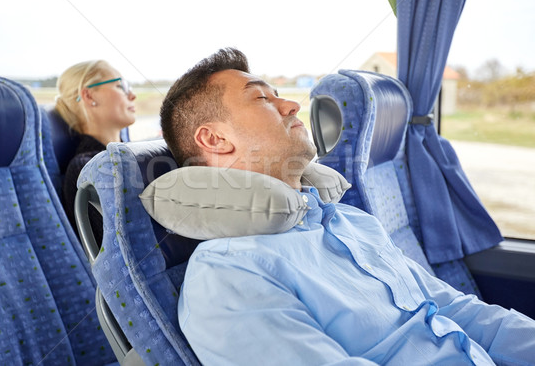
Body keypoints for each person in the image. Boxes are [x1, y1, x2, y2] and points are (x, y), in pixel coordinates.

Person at [160, 48, 535, 365]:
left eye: (279, 94)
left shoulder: (349, 221)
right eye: (262, 98)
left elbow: (458, 311)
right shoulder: (229, 275)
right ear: (214, 138)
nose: (291, 104)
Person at [55, 60, 136, 244]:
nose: (132, 95)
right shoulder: (87, 168)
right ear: (89, 95)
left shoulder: (130, 155)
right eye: (120, 86)